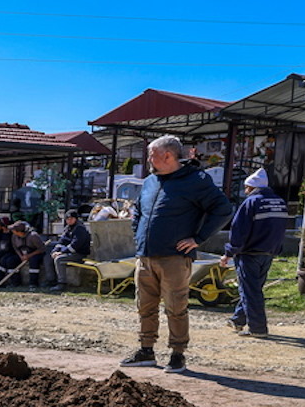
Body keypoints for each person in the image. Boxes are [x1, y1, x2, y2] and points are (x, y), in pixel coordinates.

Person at [121, 135, 233, 373]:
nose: (149, 159)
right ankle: (146, 350)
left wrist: (198, 239)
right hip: (146, 257)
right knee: (145, 306)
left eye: (152, 154)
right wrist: (138, 235)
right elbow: (138, 211)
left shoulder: (195, 180)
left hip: (174, 258)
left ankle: (177, 354)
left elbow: (223, 209)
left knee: (176, 307)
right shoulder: (151, 181)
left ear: (167, 156)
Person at [222, 168, 289, 337]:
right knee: (254, 288)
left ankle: (258, 329)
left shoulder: (251, 203)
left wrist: (229, 252)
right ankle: (238, 320)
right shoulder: (280, 202)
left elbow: (239, 231)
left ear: (252, 188)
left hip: (249, 253)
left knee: (250, 291)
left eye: (246, 188)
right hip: (269, 252)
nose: (245, 192)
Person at [50, 210, 92, 291]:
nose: (69, 220)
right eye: (67, 219)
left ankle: (62, 283)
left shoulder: (80, 229)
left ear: (76, 219)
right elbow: (61, 241)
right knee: (50, 255)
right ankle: (51, 280)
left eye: (71, 218)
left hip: (79, 254)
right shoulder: (68, 228)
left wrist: (61, 252)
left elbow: (75, 245)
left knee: (59, 259)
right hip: (69, 252)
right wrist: (55, 251)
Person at [6, 221, 47, 287]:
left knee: (34, 261)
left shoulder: (33, 236)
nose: (12, 231)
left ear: (19, 231)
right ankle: (15, 282)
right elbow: (15, 248)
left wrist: (29, 256)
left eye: (13, 230)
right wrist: (21, 256)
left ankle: (33, 283)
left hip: (35, 254)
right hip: (23, 254)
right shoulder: (14, 237)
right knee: (10, 261)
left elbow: (42, 249)